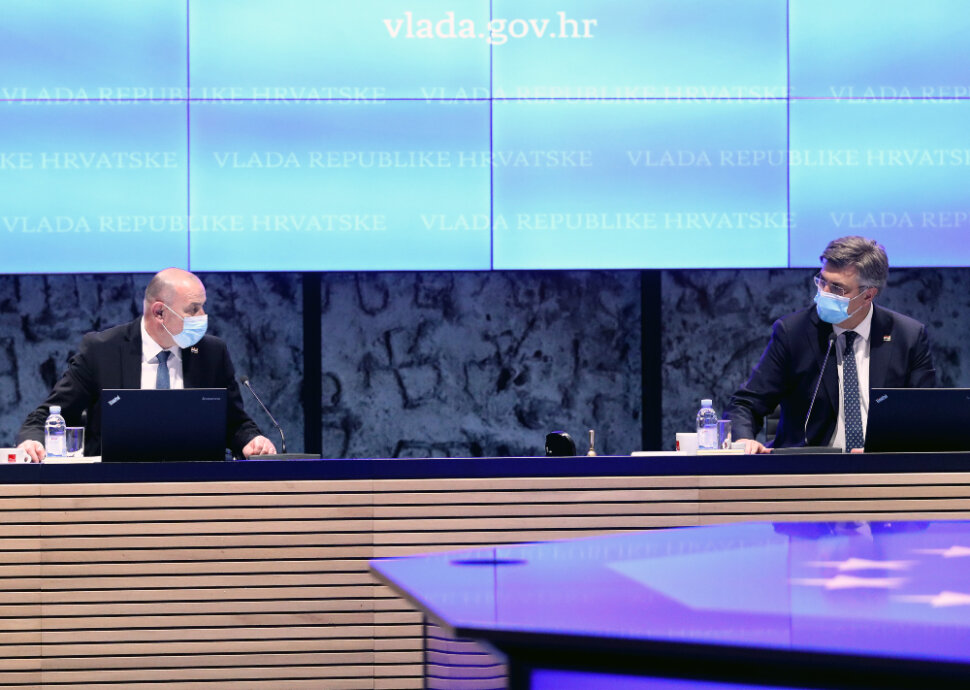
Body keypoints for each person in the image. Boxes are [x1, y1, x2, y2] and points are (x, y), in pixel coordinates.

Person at [16, 268, 277, 462]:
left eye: (202, 307)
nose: (203, 316)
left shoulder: (211, 353)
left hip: (197, 489)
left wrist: (252, 440)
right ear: (159, 312)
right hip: (115, 490)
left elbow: (235, 423)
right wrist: (32, 442)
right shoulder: (102, 350)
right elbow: (48, 416)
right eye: (193, 309)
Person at [726, 236, 936, 454]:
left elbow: (925, 416)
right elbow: (745, 404)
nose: (824, 293)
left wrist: (882, 451)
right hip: (810, 466)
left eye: (837, 288)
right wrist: (744, 440)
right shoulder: (793, 333)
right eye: (822, 281)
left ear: (868, 295)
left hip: (883, 466)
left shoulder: (908, 337)